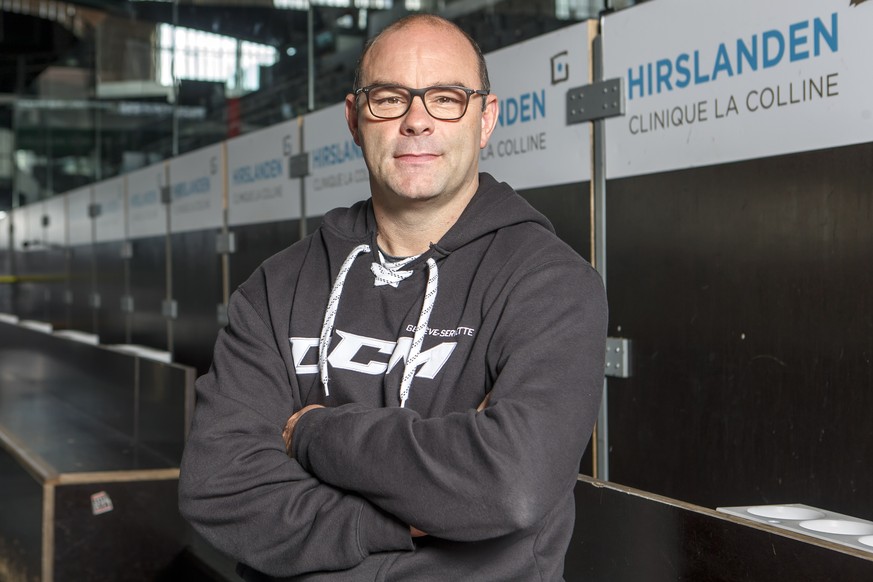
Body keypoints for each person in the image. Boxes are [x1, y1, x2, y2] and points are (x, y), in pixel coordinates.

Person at [179, 13, 607, 582]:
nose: (416, 122)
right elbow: (217, 484)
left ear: (486, 119)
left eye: (446, 98)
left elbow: (508, 483)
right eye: (389, 98)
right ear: (356, 119)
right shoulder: (277, 287)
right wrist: (402, 514)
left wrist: (309, 433)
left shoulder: (547, 283)